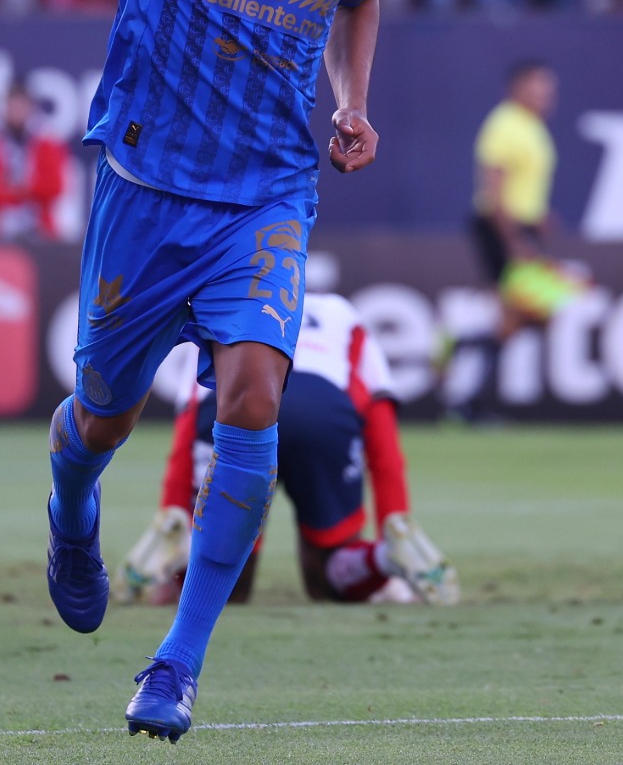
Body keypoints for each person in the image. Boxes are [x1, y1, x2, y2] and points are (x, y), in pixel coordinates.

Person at [0, 0, 392, 743]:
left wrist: (352, 102)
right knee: (100, 421)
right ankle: (71, 507)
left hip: (268, 195)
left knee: (253, 398)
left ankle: (177, 664)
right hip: (147, 190)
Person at [114, 291, 460, 609]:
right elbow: (380, 418)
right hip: (322, 409)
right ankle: (384, 558)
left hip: (239, 406)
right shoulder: (341, 312)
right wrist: (393, 517)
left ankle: (184, 549)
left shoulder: (228, 300)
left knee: (226, 585)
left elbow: (191, 413)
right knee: (326, 577)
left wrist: (173, 507)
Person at [449, 60, 584, 421]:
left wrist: (539, 216)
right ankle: (470, 402)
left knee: (534, 317)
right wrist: (514, 241)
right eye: (537, 86)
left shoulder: (532, 127)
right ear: (517, 87)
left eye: (549, 88)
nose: (545, 94)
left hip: (522, 227)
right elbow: (493, 190)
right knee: (523, 315)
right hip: (501, 229)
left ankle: (462, 349)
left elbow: (523, 186)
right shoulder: (505, 124)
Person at [0, 80, 68, 240]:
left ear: (31, 108)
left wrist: (10, 187)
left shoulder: (47, 143)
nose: (17, 111)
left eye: (22, 106)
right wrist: (29, 189)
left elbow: (55, 186)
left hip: (41, 235)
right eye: (12, 106)